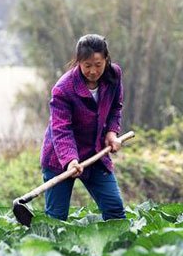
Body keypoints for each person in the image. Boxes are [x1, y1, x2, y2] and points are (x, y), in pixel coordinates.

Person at [39, 34, 126, 221]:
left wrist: (111, 132)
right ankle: (50, 250)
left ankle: (118, 249)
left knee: (115, 211)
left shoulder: (113, 75)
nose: (93, 71)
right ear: (78, 62)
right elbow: (61, 130)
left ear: (106, 60)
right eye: (87, 65)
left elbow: (115, 107)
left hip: (95, 155)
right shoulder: (64, 89)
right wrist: (70, 159)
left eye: (98, 64)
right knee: (56, 219)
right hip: (59, 159)